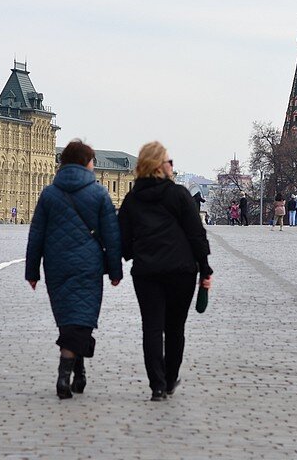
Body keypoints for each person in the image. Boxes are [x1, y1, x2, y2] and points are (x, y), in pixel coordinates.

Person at [26, 139, 123, 400]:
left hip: (56, 267)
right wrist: (115, 271)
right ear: (86, 163)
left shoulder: (49, 193)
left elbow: (36, 235)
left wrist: (32, 271)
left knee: (69, 319)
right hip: (89, 267)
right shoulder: (100, 193)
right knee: (81, 318)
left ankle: (78, 372)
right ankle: (64, 376)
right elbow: (112, 237)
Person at [118, 141, 211, 402]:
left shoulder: (132, 198)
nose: (172, 166)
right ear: (159, 165)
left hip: (147, 272)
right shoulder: (179, 195)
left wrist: (128, 257)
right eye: (169, 161)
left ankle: (157, 385)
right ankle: (170, 379)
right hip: (181, 271)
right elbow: (196, 235)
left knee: (151, 327)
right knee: (174, 327)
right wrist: (205, 268)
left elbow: (122, 240)